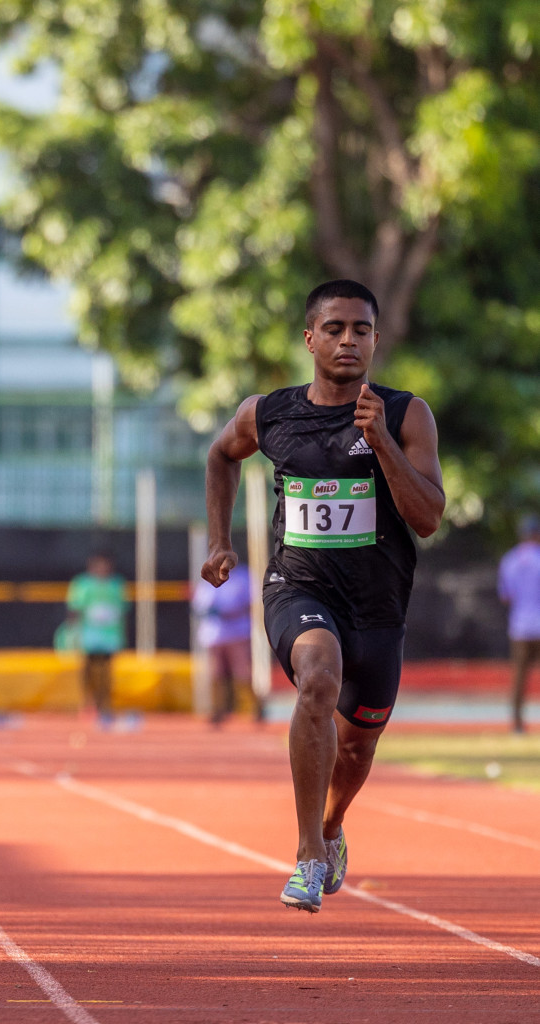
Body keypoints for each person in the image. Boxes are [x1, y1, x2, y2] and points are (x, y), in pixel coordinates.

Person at [202, 279, 443, 913]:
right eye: (334, 329)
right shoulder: (270, 413)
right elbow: (222, 456)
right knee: (317, 677)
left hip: (378, 607)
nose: (347, 340)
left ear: (376, 340)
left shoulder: (405, 414)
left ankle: (332, 828)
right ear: (310, 338)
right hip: (298, 588)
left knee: (359, 744)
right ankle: (308, 855)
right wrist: (219, 541)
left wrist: (383, 442)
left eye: (360, 330)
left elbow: (427, 517)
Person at [193, 562, 264, 726]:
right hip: (215, 634)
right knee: (216, 674)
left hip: (237, 631)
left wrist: (231, 613)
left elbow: (251, 602)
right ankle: (218, 710)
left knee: (243, 673)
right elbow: (200, 604)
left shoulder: (243, 576)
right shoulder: (209, 577)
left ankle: (257, 707)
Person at [66, 552, 126, 729]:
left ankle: (104, 706)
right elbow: (74, 609)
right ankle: (87, 703)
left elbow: (121, 611)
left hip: (109, 637)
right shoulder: (83, 584)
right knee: (88, 670)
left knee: (105, 673)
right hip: (89, 636)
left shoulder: (116, 585)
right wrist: (72, 632)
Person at [498, 516, 540, 734]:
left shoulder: (510, 560)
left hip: (520, 627)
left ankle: (517, 725)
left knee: (519, 678)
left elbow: (506, 596)